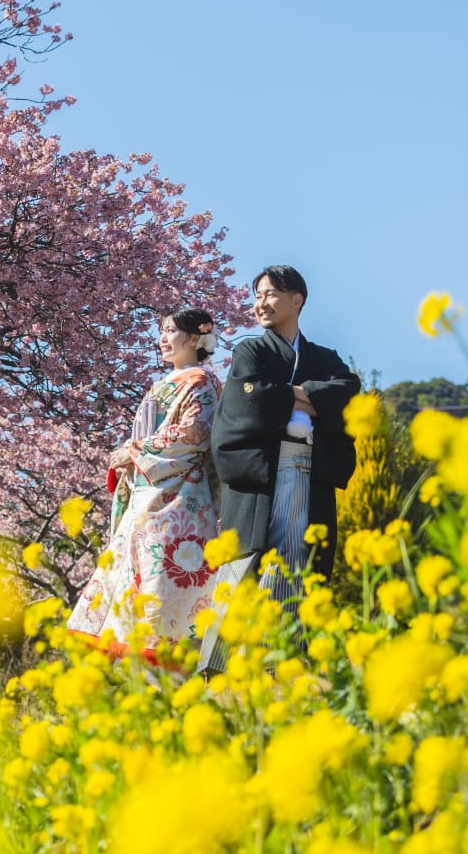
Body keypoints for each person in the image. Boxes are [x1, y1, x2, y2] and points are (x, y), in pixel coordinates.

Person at [67, 308, 222, 661]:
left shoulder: (201, 381)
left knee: (163, 577)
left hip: (179, 495)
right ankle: (133, 663)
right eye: (162, 331)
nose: (163, 339)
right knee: (137, 573)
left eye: (171, 331)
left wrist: (134, 450)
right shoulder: (165, 383)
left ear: (195, 339)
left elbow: (194, 435)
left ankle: (166, 664)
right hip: (149, 491)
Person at [210, 265, 360, 598]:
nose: (261, 303)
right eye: (258, 295)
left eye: (270, 294)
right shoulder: (250, 352)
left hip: (310, 466)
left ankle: (292, 647)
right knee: (248, 570)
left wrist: (282, 393)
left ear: (297, 300)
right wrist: (314, 400)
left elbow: (348, 392)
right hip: (266, 471)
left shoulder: (324, 357)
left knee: (302, 564)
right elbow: (251, 399)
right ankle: (235, 649)